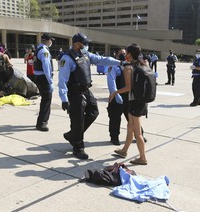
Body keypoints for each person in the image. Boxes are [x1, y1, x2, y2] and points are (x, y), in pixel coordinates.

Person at [58, 32, 122, 160]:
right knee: (78, 120)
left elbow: (102, 60)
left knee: (94, 112)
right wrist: (64, 99)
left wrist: (119, 62)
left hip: (86, 90)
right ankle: (78, 147)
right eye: (84, 43)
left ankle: (73, 135)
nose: (86, 45)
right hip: (74, 93)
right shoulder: (67, 59)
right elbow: (62, 80)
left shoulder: (86, 54)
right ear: (77, 44)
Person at [109, 43, 148, 165]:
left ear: (129, 54)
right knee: (130, 126)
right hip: (142, 101)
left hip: (134, 102)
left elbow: (128, 87)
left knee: (137, 132)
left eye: (126, 52)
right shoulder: (144, 64)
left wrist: (115, 92)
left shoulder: (128, 67)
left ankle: (142, 158)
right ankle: (124, 150)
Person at [34, 33, 55, 132]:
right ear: (47, 40)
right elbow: (46, 67)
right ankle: (42, 123)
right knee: (46, 100)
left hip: (38, 76)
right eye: (51, 40)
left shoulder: (38, 49)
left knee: (44, 99)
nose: (51, 42)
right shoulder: (44, 51)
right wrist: (50, 80)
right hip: (43, 78)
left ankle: (41, 121)